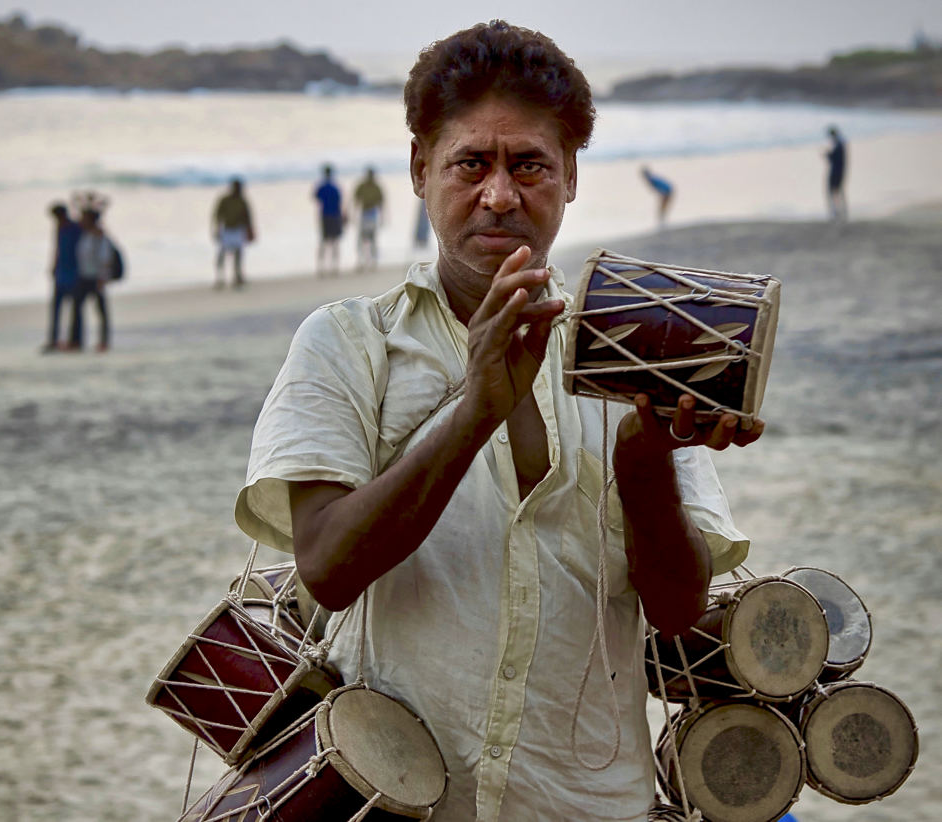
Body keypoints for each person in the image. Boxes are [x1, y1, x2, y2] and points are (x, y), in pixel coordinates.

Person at [235, 21, 765, 821]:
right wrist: (476, 408)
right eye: (470, 163)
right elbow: (327, 567)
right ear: (420, 169)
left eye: (529, 165)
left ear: (571, 177)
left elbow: (675, 609)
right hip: (393, 802)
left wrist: (646, 457)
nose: (499, 194)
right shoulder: (349, 341)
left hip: (586, 802)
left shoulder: (630, 354)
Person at [70, 193, 114, 352]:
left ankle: (104, 342)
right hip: (84, 276)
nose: (81, 221)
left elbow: (105, 258)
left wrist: (103, 277)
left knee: (101, 311)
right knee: (77, 310)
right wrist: (81, 201)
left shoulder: (99, 237)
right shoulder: (86, 235)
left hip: (96, 278)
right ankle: (76, 341)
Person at [43, 202, 80, 353]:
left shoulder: (75, 229)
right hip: (61, 273)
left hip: (74, 273)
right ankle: (54, 340)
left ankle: (74, 341)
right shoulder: (59, 229)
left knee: (74, 309)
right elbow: (57, 249)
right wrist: (53, 266)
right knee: (56, 309)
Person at [212, 177, 255, 289]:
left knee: (238, 254)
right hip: (227, 230)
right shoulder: (225, 200)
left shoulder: (242, 201)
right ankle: (219, 277)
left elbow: (248, 217)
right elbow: (217, 215)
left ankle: (237, 276)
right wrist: (217, 229)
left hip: (238, 230)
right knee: (222, 254)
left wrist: (250, 230)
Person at [352, 166, 385, 272]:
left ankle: (370, 262)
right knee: (365, 240)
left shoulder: (372, 186)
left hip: (370, 214)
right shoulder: (371, 186)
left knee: (369, 240)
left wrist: (382, 216)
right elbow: (356, 200)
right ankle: (363, 261)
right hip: (367, 214)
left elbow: (381, 203)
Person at [313, 164, 344, 276]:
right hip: (335, 216)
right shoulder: (335, 187)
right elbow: (340, 203)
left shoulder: (321, 187)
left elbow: (315, 198)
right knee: (335, 242)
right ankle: (334, 267)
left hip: (325, 216)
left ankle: (321, 267)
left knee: (323, 242)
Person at [825, 126, 847, 223]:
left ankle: (837, 211)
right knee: (838, 191)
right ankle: (840, 211)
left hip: (836, 171)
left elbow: (835, 159)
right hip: (840, 171)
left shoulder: (839, 144)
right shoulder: (840, 143)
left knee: (833, 191)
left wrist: (828, 155)